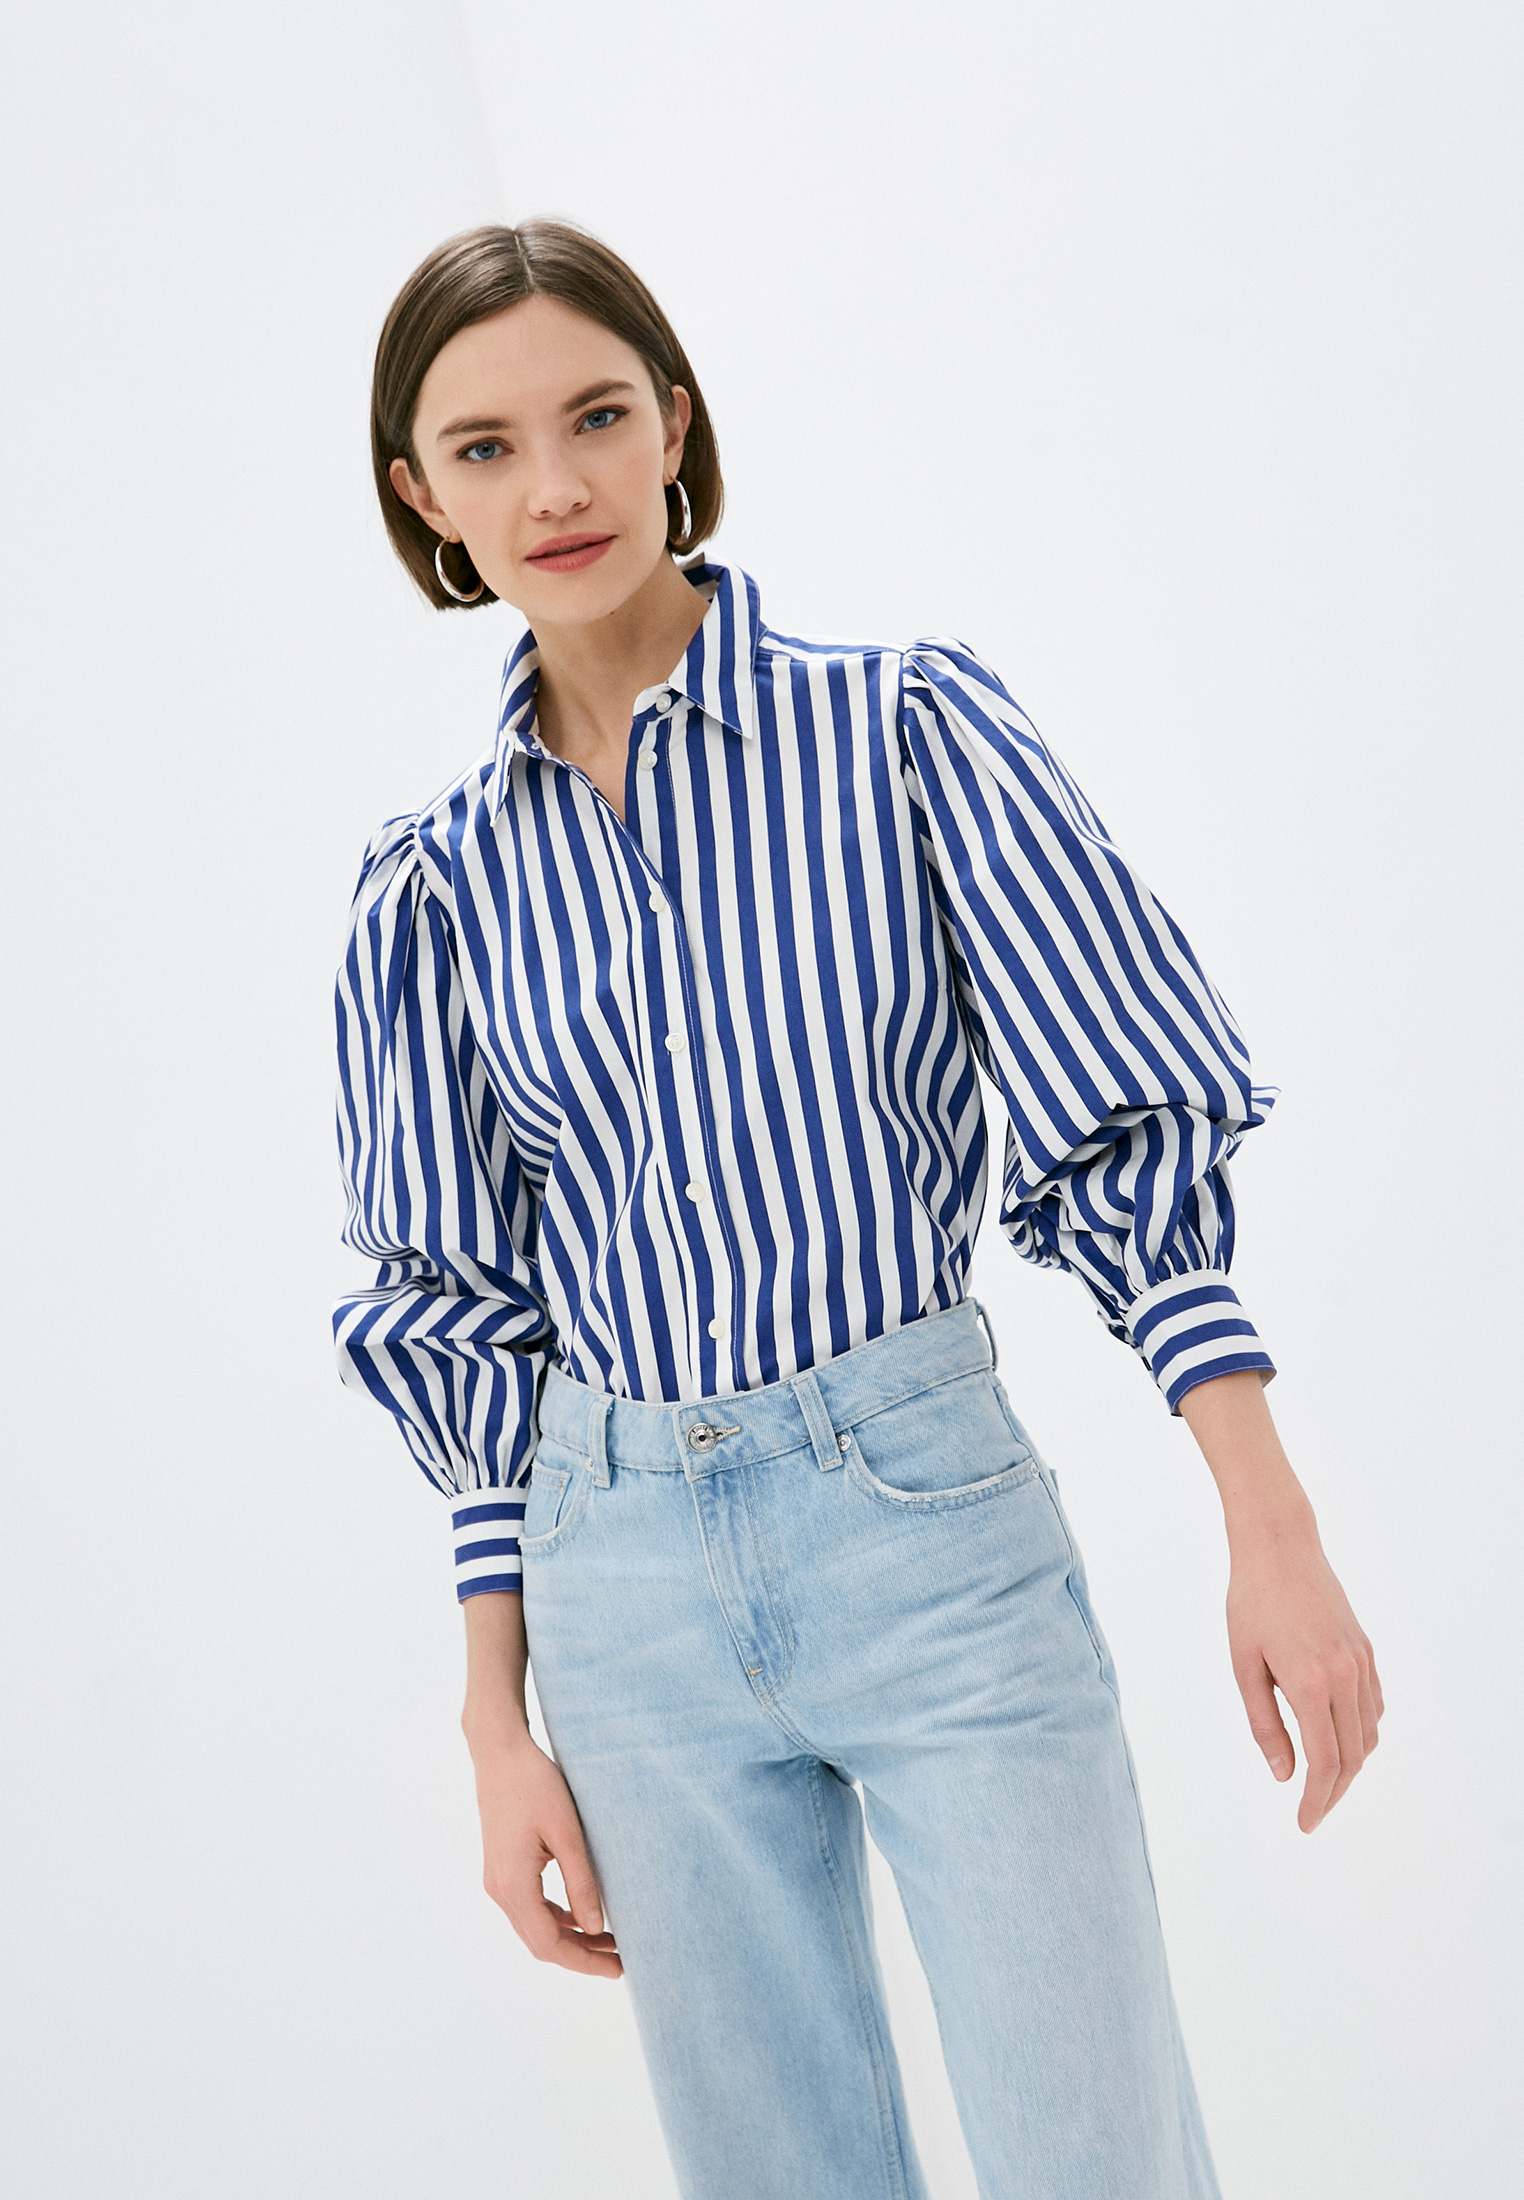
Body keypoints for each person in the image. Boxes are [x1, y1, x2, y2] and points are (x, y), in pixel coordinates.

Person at [333, 220, 1382, 2200]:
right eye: (483, 449)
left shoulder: (904, 731)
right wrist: (496, 1718)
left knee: (1098, 2156)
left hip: (927, 1529)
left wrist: (1274, 1531)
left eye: (595, 416)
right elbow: (459, 1311)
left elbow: (1121, 1134)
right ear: (423, 497)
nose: (552, 486)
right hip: (618, 1589)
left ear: (675, 425)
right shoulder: (434, 887)